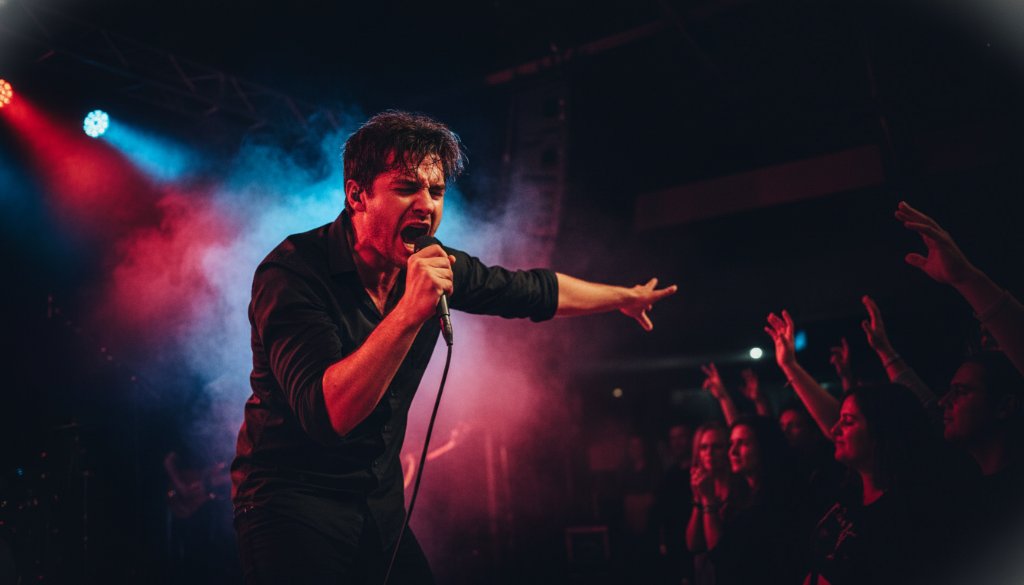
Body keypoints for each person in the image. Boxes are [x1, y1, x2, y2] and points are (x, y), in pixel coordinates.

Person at [230, 110, 678, 584]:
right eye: (407, 188)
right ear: (357, 194)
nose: (427, 206)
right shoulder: (293, 274)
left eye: (437, 191)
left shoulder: (430, 264)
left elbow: (532, 291)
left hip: (376, 503)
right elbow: (329, 414)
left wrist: (623, 299)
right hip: (291, 503)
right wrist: (408, 312)